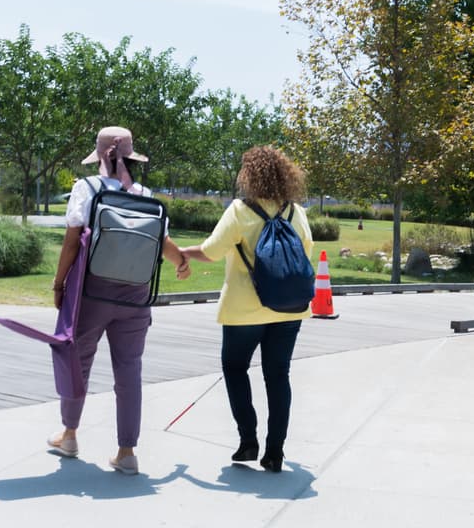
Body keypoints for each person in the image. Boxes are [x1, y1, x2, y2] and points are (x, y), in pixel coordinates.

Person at [46, 126, 189, 475]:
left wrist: (58, 282)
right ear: (131, 158)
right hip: (136, 297)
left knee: (77, 362)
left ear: (99, 157)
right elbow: (163, 241)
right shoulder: (144, 194)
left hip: (91, 294)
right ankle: (127, 453)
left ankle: (69, 434)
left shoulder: (87, 188)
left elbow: (71, 240)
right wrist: (181, 261)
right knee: (129, 372)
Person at [178, 145, 312, 472]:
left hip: (244, 310)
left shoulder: (240, 210)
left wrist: (181, 252)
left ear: (248, 175)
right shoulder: (297, 212)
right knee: (278, 376)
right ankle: (275, 452)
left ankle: (248, 441)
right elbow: (306, 252)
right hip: (289, 310)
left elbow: (211, 251)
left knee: (236, 369)